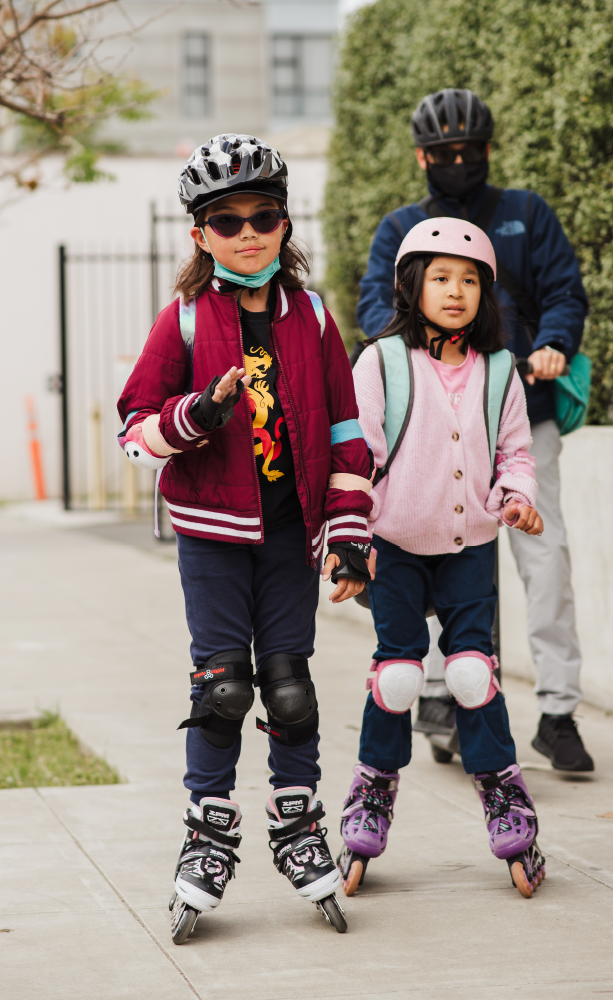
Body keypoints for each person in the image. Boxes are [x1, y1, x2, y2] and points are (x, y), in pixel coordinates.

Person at [119, 134, 371, 941]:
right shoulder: (186, 320)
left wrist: (352, 535)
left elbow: (345, 429)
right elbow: (134, 430)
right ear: (200, 235)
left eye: (264, 215)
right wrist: (200, 414)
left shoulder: (315, 316)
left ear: (286, 223)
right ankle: (207, 835)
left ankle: (298, 827)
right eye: (226, 221)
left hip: (292, 533)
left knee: (290, 686)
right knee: (224, 684)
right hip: (213, 535)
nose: (248, 232)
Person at [358, 89, 595, 774]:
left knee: (543, 559)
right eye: (443, 154)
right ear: (421, 157)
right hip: (431, 426)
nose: (457, 163)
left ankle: (558, 712)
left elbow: (564, 291)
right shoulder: (400, 228)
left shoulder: (526, 214)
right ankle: (442, 698)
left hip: (521, 411)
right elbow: (378, 305)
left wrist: (551, 342)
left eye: (468, 151)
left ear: (487, 151)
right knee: (432, 553)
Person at [337, 218, 548, 898]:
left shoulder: (498, 370)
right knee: (397, 676)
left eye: (468, 280)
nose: (454, 291)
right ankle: (371, 792)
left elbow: (515, 450)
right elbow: (356, 458)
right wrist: (348, 545)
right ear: (411, 286)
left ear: (484, 294)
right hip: (393, 543)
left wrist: (515, 496)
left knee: (469, 674)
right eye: (439, 278)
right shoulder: (381, 363)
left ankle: (503, 796)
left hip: (470, 545)